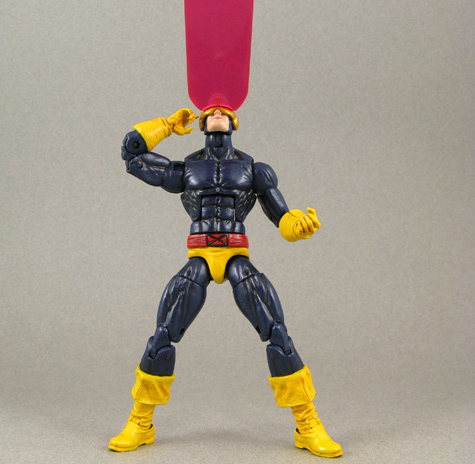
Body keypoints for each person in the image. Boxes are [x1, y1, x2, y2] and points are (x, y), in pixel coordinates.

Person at [108, 107, 342, 458]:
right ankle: (141, 422)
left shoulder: (254, 169)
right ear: (202, 122)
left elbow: (281, 216)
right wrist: (167, 126)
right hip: (199, 254)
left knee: (277, 333)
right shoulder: (187, 169)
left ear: (235, 121)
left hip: (236, 254)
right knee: (163, 335)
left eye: (224, 109)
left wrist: (299, 227)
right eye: (211, 109)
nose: (217, 110)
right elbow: (132, 155)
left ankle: (307, 424)